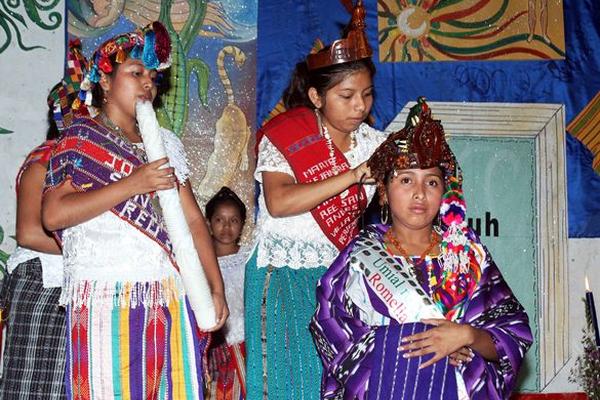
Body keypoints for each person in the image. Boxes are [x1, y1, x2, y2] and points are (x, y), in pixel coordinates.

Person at [42, 22, 228, 399]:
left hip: (171, 292)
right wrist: (134, 183)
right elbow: (53, 214)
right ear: (105, 82)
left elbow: (193, 220)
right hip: (108, 293)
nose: (148, 83)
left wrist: (216, 286)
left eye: (153, 77)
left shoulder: (166, 144)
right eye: (136, 73)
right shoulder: (80, 138)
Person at [310, 98, 533, 400]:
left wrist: (465, 336)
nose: (419, 193)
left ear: (445, 192)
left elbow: (514, 334)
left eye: (431, 182)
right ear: (384, 194)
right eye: (405, 180)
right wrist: (413, 343)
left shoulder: (468, 255)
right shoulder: (358, 257)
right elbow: (329, 328)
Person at [244, 1, 386, 399]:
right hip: (283, 272)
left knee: (339, 385)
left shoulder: (378, 145)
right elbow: (280, 202)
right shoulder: (287, 134)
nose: (360, 106)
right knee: (288, 385)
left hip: (340, 280)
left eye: (367, 94)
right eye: (346, 95)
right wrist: (353, 176)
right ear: (316, 97)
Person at [0, 42, 87, 400]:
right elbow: (28, 233)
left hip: (77, 281)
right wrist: (89, 248)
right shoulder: (44, 160)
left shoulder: (90, 164)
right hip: (40, 282)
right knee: (32, 386)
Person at [205, 186, 250, 400]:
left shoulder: (250, 258)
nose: (226, 227)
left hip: (249, 343)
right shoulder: (202, 263)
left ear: (242, 225)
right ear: (209, 224)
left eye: (233, 220)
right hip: (216, 345)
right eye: (219, 220)